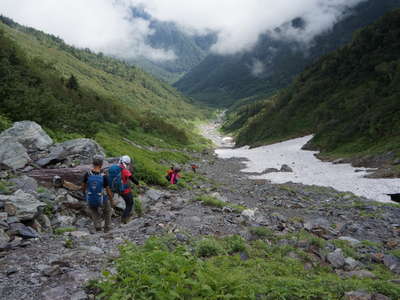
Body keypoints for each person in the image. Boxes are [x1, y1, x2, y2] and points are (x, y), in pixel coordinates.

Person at [82, 155, 113, 233]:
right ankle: (107, 228)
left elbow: (83, 187)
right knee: (108, 210)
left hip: (91, 197)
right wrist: (111, 199)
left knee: (93, 210)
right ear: (101, 164)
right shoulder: (103, 176)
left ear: (93, 163)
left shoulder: (87, 174)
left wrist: (85, 194)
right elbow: (108, 190)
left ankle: (98, 227)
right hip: (102, 198)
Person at [118, 155, 140, 224]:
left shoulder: (116, 167)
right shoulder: (124, 170)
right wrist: (138, 184)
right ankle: (124, 219)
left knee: (128, 203)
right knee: (130, 204)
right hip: (125, 190)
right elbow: (132, 178)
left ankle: (124, 217)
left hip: (118, 189)